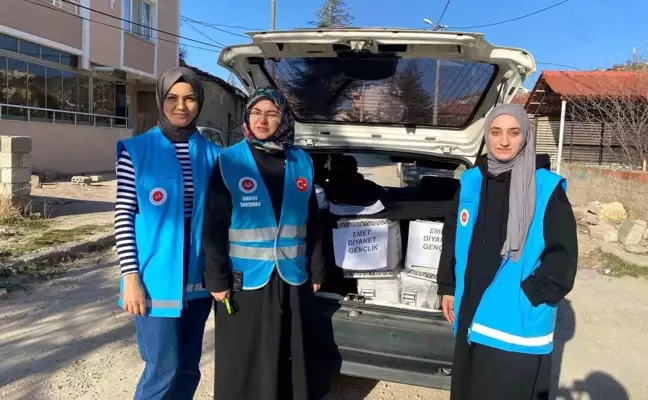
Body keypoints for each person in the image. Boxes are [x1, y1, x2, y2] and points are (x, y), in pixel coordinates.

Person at [437, 104, 578, 400]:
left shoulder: (546, 188)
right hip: (473, 302)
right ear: (486, 136)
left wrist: (530, 294)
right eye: (496, 132)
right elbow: (453, 234)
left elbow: (563, 257)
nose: (503, 141)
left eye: (513, 133)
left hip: (514, 313)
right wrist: (448, 286)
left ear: (525, 136)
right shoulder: (471, 181)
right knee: (469, 386)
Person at [202, 87, 327, 400]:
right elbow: (214, 225)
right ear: (246, 116)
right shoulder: (229, 161)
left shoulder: (302, 162)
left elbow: (313, 220)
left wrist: (317, 268)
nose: (263, 119)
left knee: (292, 352)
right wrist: (216, 277)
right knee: (246, 357)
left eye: (272, 113)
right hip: (246, 279)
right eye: (256, 112)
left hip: (294, 276)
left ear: (283, 118)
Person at [115, 67, 221, 399]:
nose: (181, 106)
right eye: (172, 98)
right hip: (153, 282)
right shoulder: (136, 151)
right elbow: (123, 217)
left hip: (198, 284)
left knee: (189, 368)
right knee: (161, 370)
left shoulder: (215, 155)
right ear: (161, 100)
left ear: (199, 102)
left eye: (189, 98)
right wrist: (130, 277)